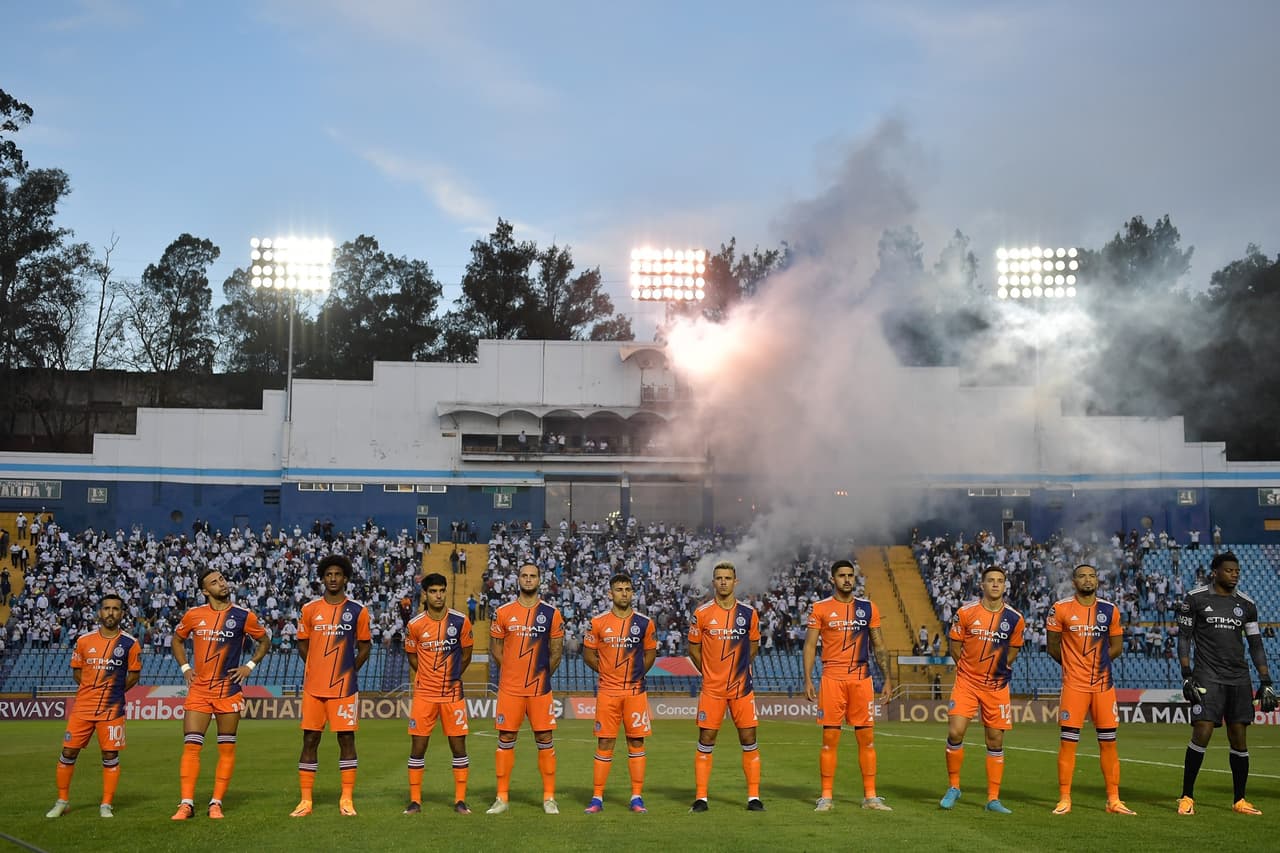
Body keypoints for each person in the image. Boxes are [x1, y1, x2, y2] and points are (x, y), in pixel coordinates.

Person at [1176, 551, 1275, 816]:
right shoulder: (1195, 599)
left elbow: (1255, 644)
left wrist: (1265, 679)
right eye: (1229, 570)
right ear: (1216, 572)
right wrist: (1187, 674)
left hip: (1239, 678)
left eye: (1237, 571)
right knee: (1203, 731)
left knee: (1239, 738)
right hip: (1207, 675)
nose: (1234, 575)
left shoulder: (1247, 604)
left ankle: (1239, 800)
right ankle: (1186, 796)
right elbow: (1184, 638)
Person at [169, 568, 271, 820]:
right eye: (214, 582)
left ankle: (216, 803)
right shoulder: (194, 615)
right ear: (205, 591)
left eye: (222, 579)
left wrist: (249, 666)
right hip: (200, 691)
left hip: (229, 691)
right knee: (191, 747)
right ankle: (186, 804)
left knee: (226, 749)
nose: (221, 584)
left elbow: (265, 641)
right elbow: (177, 639)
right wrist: (185, 667)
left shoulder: (243, 615)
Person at [803, 559, 893, 812]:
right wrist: (808, 678)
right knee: (830, 738)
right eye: (841, 575)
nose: (847, 579)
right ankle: (826, 797)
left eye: (850, 575)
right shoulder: (820, 608)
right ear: (833, 579)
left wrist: (887, 678)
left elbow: (879, 645)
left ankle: (871, 797)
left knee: (867, 738)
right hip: (832, 678)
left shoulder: (867, 608)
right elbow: (810, 645)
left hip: (861, 679)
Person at [1045, 563, 1135, 815]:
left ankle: (1114, 800)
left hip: (1103, 686)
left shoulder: (1110, 610)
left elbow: (1116, 647)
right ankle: (1065, 798)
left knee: (1109, 743)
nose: (1088, 580)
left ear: (1097, 581)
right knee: (1068, 743)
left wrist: (1096, 666)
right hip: (1074, 686)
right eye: (1082, 576)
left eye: (1092, 576)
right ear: (1074, 582)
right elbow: (1052, 646)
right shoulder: (1060, 609)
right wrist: (1074, 666)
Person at [46, 594, 141, 819]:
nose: (110, 612)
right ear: (100, 612)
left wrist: (112, 693)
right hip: (83, 708)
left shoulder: (130, 643)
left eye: (115, 609)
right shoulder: (84, 641)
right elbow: (77, 672)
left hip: (112, 710)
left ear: (122, 613)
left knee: (110, 755)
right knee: (68, 752)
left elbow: (134, 675)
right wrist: (93, 690)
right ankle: (62, 801)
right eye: (106, 608)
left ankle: (106, 804)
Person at [291, 555, 372, 817]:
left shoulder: (358, 610)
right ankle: (305, 801)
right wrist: (314, 665)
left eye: (338, 574)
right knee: (310, 739)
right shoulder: (309, 609)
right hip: (314, 687)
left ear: (345, 578)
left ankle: (346, 799)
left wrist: (349, 670)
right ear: (323, 578)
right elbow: (302, 642)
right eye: (329, 575)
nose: (333, 578)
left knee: (346, 739)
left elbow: (365, 645)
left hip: (344, 689)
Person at [939, 565, 1025, 814]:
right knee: (956, 732)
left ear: (1005, 585)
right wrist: (968, 671)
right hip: (966, 683)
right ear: (982, 585)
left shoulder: (1015, 618)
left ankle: (992, 799)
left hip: (996, 687)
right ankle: (954, 787)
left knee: (995, 739)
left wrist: (1000, 668)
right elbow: (955, 646)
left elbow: (1015, 648)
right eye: (991, 580)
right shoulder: (965, 613)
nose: (996, 584)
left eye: (1000, 580)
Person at [486, 562, 565, 815]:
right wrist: (510, 670)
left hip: (540, 689)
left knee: (545, 739)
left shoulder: (552, 613)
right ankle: (502, 798)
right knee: (506, 738)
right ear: (517, 579)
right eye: (524, 575)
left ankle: (549, 798)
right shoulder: (503, 612)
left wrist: (539, 676)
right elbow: (495, 648)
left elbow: (556, 651)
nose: (528, 579)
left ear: (539, 580)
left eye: (532, 576)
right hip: (510, 689)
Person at [688, 560, 763, 812]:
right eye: (719, 578)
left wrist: (740, 668)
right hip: (713, 689)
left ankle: (753, 798)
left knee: (749, 737)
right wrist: (709, 673)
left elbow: (753, 644)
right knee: (706, 738)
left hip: (742, 688)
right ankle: (701, 798)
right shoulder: (702, 613)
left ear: (735, 581)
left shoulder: (749, 613)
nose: (723, 582)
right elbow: (694, 649)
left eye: (727, 578)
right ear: (713, 582)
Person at [581, 572, 657, 814]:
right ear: (610, 593)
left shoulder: (645, 622)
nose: (624, 593)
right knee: (605, 741)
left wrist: (634, 676)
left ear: (632, 592)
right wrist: (607, 672)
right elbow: (588, 654)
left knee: (636, 741)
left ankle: (636, 797)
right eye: (619, 589)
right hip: (608, 692)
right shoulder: (598, 622)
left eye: (627, 589)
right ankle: (597, 798)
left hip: (635, 692)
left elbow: (650, 654)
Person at [403, 572, 474, 815]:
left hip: (453, 695)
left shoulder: (460, 621)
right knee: (418, 747)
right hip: (424, 695)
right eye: (433, 591)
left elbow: (467, 654)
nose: (438, 595)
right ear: (425, 594)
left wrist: (453, 675)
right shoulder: (415, 625)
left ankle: (460, 800)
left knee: (459, 747)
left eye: (442, 590)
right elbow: (412, 655)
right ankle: (415, 801)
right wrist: (427, 674)